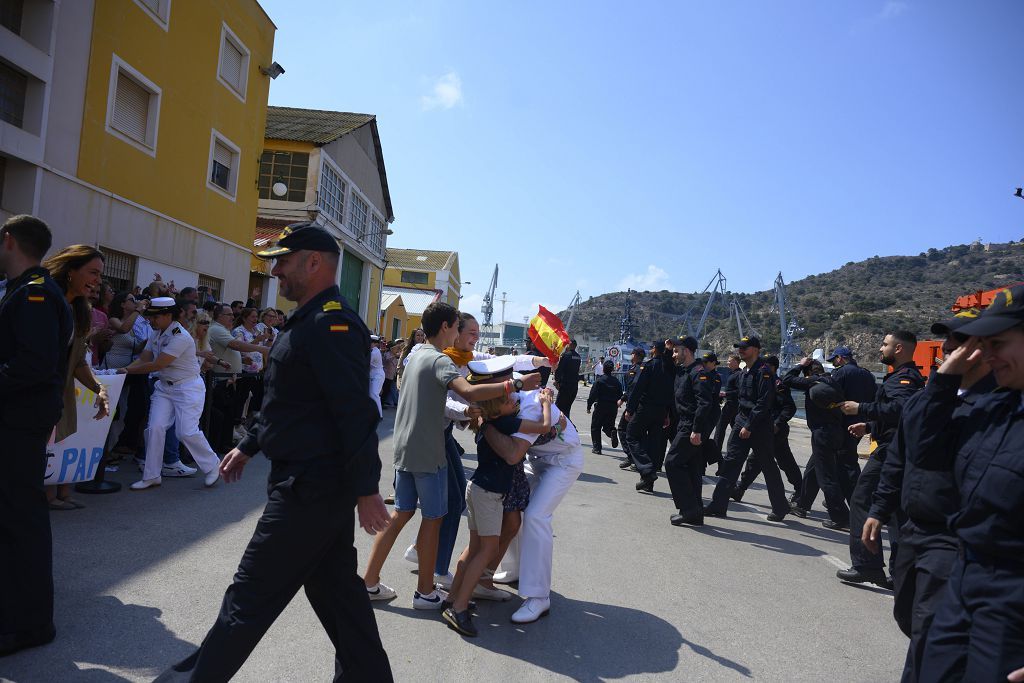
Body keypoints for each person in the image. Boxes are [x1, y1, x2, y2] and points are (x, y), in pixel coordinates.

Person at [156, 222, 394, 681]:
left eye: (283, 261)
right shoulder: (306, 321)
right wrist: (248, 445)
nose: (276, 271)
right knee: (338, 595)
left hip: (311, 488)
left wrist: (367, 488)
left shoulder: (333, 324)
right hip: (310, 484)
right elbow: (291, 403)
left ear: (314, 262)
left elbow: (356, 413)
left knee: (248, 597)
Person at [361, 302, 526, 610]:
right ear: (449, 327)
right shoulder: (440, 360)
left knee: (401, 514)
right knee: (435, 518)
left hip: (405, 448)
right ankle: (425, 592)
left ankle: (369, 582)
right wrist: (515, 383)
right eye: (462, 328)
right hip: (428, 450)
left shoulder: (415, 355)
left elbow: (440, 402)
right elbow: (470, 391)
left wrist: (464, 411)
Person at [895, 287, 1024, 681]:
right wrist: (945, 379)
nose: (987, 354)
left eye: (997, 343)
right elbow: (925, 449)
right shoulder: (995, 408)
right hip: (965, 581)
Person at [861, 311, 995, 682]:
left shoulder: (994, 404)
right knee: (908, 615)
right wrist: (879, 508)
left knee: (928, 631)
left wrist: (946, 384)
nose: (949, 348)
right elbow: (902, 456)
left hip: (950, 538)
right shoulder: (928, 398)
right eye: (948, 340)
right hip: (911, 529)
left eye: (961, 341)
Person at [0, 215, 73, 657]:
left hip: (18, 421)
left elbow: (33, 363)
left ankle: (28, 623)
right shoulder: (25, 291)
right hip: (16, 418)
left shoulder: (35, 295)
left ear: (9, 241)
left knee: (19, 519)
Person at [475, 359, 584, 624]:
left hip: (563, 461)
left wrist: (484, 424)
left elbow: (512, 455)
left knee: (536, 516)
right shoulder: (507, 397)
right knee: (517, 511)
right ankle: (514, 568)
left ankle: (538, 596)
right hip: (537, 459)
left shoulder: (530, 404)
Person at [442, 386, 554, 637]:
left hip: (478, 488)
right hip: (489, 494)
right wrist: (546, 402)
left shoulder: (489, 422)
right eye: (507, 399)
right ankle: (459, 608)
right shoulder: (506, 423)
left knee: (473, 549)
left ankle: (452, 600)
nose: (514, 399)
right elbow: (545, 427)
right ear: (495, 408)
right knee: (487, 550)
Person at [836, 331, 924, 588]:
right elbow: (896, 415)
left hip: (890, 452)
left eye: (885, 344)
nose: (880, 348)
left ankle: (867, 565)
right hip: (895, 446)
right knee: (897, 514)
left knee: (862, 500)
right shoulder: (902, 377)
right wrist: (871, 425)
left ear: (899, 349)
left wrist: (860, 408)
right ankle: (901, 573)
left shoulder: (904, 379)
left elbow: (902, 410)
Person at [117, 298, 222, 490]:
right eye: (150, 316)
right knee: (155, 428)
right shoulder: (156, 333)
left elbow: (158, 364)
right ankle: (152, 475)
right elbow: (144, 358)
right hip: (165, 388)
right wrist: (124, 369)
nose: (151, 320)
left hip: (187, 388)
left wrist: (127, 371)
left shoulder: (180, 336)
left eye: (155, 316)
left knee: (186, 432)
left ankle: (212, 465)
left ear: (168, 316)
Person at [43, 245, 112, 509]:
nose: (97, 281)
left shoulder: (79, 309)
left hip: (55, 394)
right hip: (31, 395)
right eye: (92, 272)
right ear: (70, 271)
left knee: (55, 443)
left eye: (100, 275)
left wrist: (99, 388)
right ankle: (46, 497)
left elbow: (78, 362)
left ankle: (59, 494)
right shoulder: (45, 302)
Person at [705, 336, 790, 521]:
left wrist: (749, 425)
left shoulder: (764, 371)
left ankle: (781, 506)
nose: (740, 350)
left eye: (745, 347)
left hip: (759, 426)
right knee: (730, 462)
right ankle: (718, 505)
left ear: (756, 350)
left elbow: (764, 402)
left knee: (768, 466)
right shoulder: (745, 371)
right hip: (741, 421)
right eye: (739, 348)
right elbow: (741, 398)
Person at [783, 358, 851, 529]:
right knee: (812, 471)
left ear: (809, 373)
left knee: (826, 477)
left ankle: (841, 517)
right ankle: (802, 505)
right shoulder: (833, 380)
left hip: (822, 434)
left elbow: (787, 379)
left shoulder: (814, 380)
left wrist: (799, 365)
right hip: (835, 431)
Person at [730, 355, 802, 500]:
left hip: (775, 430)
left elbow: (789, 407)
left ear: (772, 367)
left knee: (775, 462)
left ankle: (799, 492)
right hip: (764, 427)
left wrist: (777, 422)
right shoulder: (762, 380)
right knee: (779, 461)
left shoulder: (777, 384)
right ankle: (801, 491)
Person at [665, 340, 720, 527]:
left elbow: (704, 403)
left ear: (686, 351)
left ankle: (689, 509)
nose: (673, 355)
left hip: (691, 426)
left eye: (676, 351)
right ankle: (696, 514)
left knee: (672, 462)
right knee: (692, 468)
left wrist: (697, 430)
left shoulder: (699, 373)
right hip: (684, 423)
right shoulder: (684, 371)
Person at [624, 340, 675, 493]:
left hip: (645, 408)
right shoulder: (669, 367)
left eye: (652, 348)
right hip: (661, 411)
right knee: (653, 444)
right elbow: (670, 392)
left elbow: (638, 388)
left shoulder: (648, 365)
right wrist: (667, 412)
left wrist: (630, 409)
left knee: (631, 436)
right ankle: (648, 482)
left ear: (654, 350)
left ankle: (647, 470)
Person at [616, 347, 645, 469]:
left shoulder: (638, 369)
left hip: (634, 406)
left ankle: (631, 457)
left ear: (636, 355)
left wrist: (623, 399)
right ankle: (635, 459)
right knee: (636, 434)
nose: (631, 355)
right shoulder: (639, 368)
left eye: (632, 353)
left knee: (623, 429)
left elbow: (633, 389)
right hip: (638, 406)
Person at [587, 359, 622, 454]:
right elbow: (620, 395)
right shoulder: (617, 382)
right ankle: (612, 432)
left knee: (596, 426)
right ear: (612, 369)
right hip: (613, 407)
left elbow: (593, 394)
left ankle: (597, 448)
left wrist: (589, 406)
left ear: (603, 369)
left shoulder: (599, 380)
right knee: (608, 426)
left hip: (601, 405)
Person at [713, 354, 742, 463]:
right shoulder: (733, 373)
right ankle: (736, 449)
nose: (728, 363)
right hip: (731, 404)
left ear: (736, 362)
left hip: (732, 406)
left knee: (720, 427)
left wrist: (725, 393)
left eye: (730, 361)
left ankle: (716, 450)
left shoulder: (738, 374)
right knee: (735, 429)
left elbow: (739, 391)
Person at [553, 339, 582, 418]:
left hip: (565, 385)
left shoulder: (566, 355)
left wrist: (556, 380)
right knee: (567, 408)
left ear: (570, 345)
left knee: (558, 407)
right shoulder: (578, 357)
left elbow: (560, 369)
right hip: (574, 386)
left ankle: (557, 427)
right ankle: (566, 427)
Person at [369, 335, 385, 417]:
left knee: (374, 394)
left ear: (374, 343)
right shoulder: (373, 351)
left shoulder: (375, 352)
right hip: (374, 375)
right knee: (371, 394)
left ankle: (379, 415)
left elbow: (366, 363)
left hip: (377, 375)